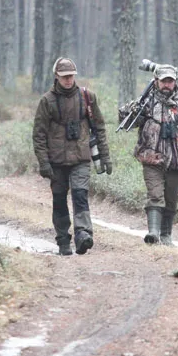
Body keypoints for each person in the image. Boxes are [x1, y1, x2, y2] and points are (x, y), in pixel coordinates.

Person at [118, 64, 178, 246]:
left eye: (170, 81)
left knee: (171, 199)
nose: (167, 84)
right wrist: (131, 110)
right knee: (155, 195)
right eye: (163, 81)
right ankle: (153, 233)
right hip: (152, 159)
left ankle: (166, 235)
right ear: (156, 81)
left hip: (177, 161)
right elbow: (126, 122)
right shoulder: (146, 102)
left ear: (175, 82)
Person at [32, 57, 112, 256]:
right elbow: (39, 134)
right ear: (56, 77)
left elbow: (99, 128)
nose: (68, 80)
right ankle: (63, 240)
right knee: (59, 199)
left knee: (80, 195)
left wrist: (105, 156)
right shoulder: (46, 101)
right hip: (56, 161)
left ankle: (83, 234)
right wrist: (43, 163)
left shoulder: (87, 97)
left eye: (71, 76)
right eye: (64, 77)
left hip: (81, 158)